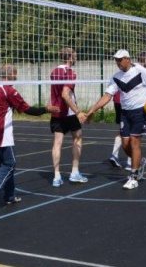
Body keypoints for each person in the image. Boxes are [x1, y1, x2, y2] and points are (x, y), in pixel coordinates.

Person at [0, 64, 59, 210]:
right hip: (3, 134)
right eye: (16, 73)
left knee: (3, 165)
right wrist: (47, 109)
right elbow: (28, 109)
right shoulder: (9, 90)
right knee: (10, 164)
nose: (17, 76)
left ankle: (9, 196)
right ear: (11, 74)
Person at [86, 49, 146, 190]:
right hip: (125, 113)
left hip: (140, 111)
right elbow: (107, 96)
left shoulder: (140, 71)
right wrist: (93, 109)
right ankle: (138, 163)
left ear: (128, 59)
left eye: (120, 59)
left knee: (134, 142)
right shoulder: (116, 77)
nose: (118, 62)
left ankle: (133, 177)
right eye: (116, 60)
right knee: (125, 144)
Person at [49, 47, 88, 187]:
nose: (76, 58)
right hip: (69, 113)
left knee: (57, 142)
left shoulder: (54, 71)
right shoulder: (70, 72)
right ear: (70, 58)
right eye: (75, 56)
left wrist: (50, 106)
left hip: (56, 111)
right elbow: (65, 94)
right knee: (77, 138)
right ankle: (74, 173)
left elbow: (54, 92)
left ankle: (56, 176)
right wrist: (78, 112)